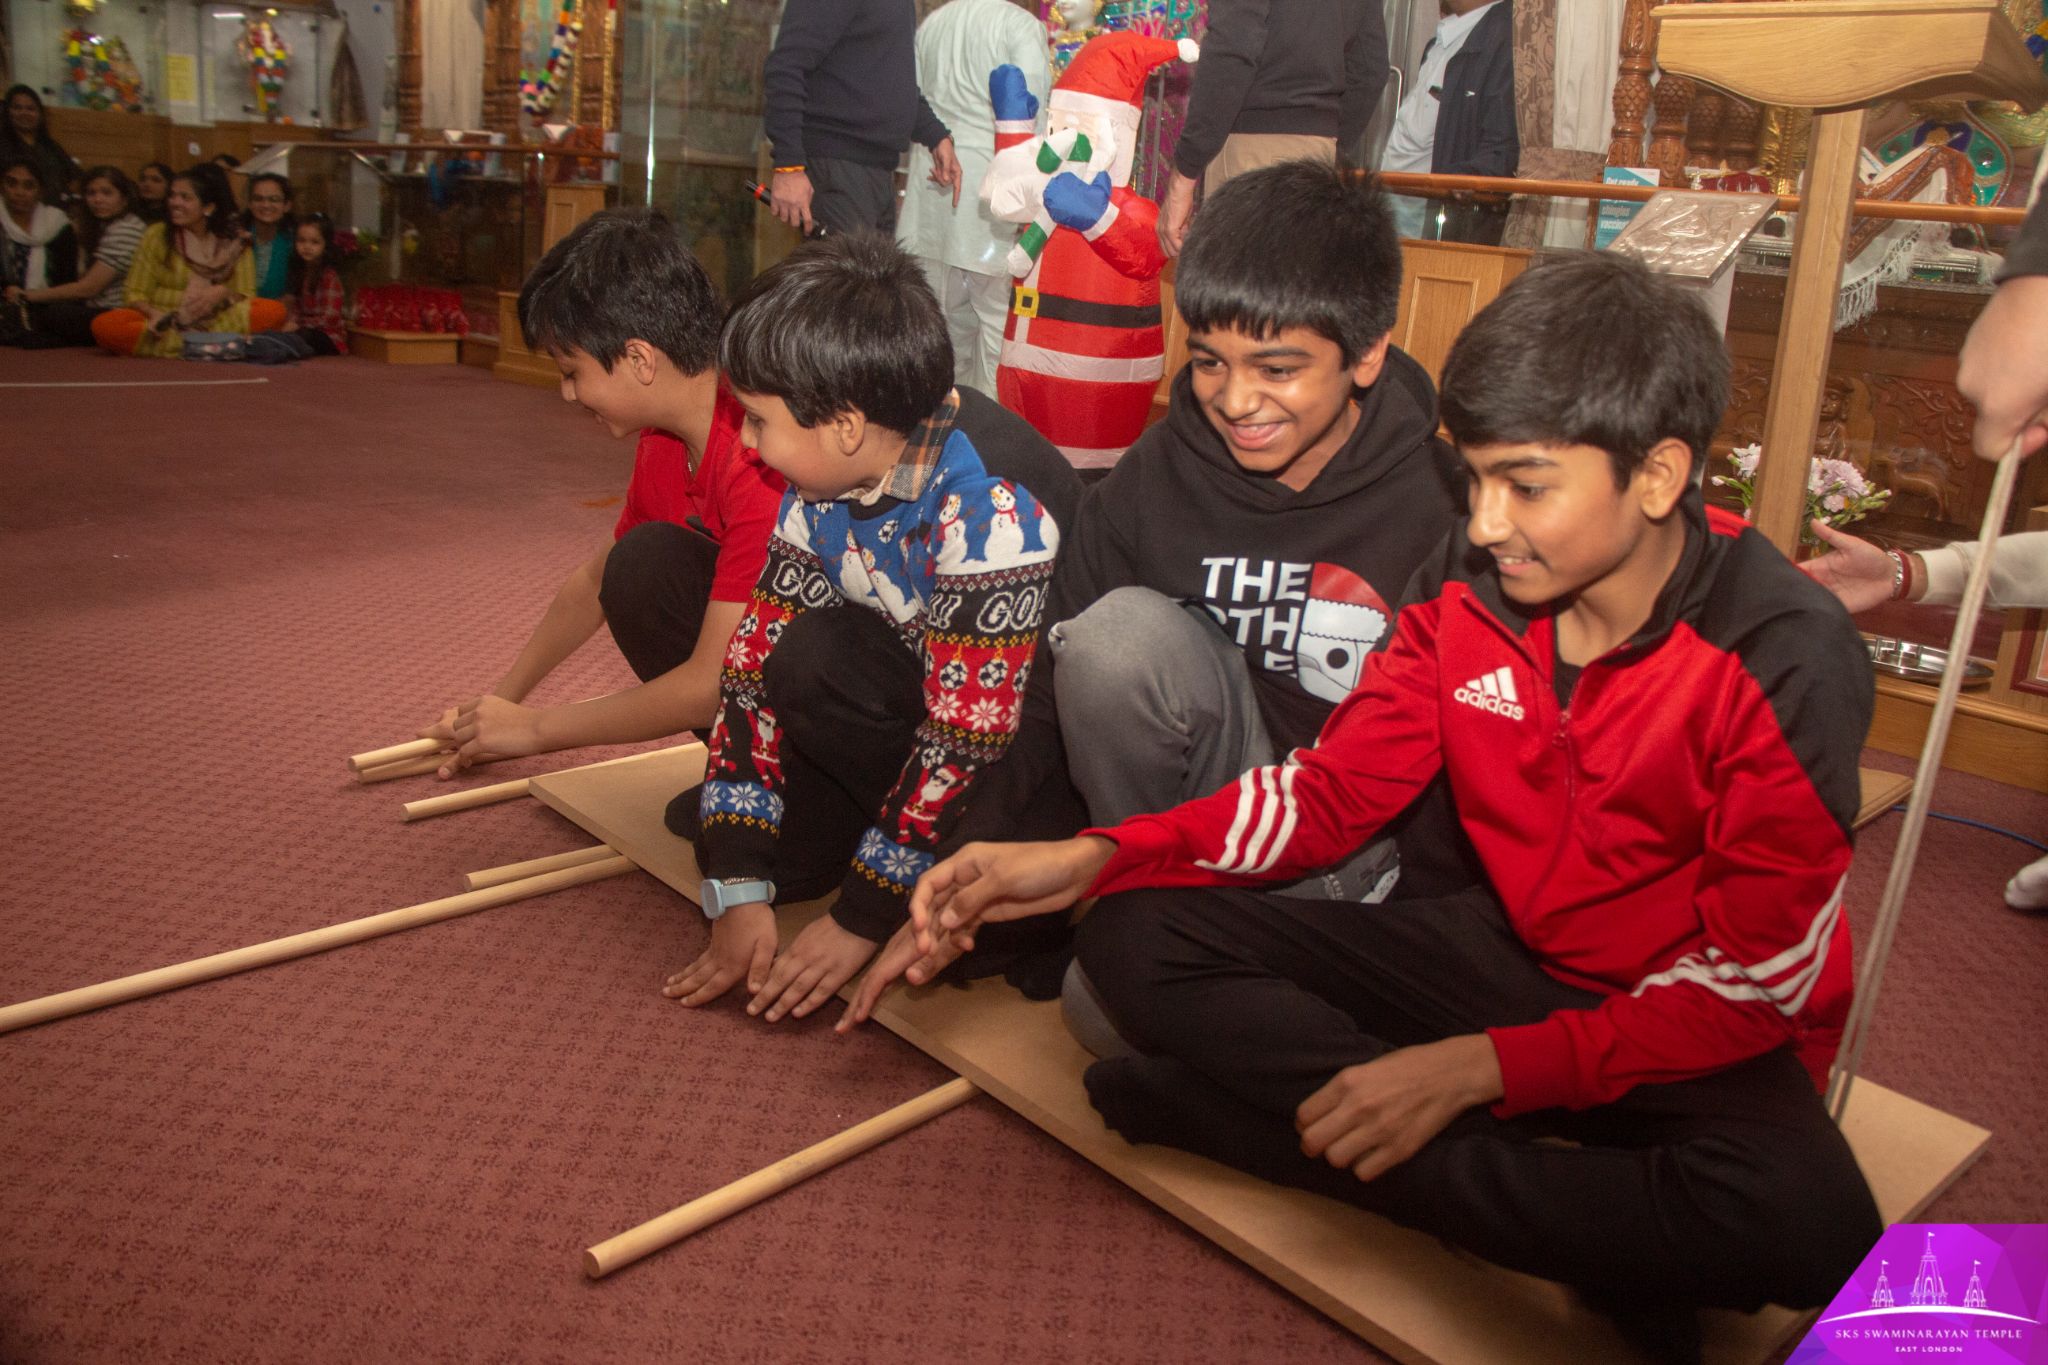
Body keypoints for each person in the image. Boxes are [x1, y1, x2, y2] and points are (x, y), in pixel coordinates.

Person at [858, 253, 1884, 1358]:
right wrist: (1099, 854)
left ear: (1658, 473)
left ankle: (1303, 1147)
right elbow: (1331, 793)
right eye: (1474, 480)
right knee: (1133, 936)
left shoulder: (1784, 652)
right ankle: (1563, 1213)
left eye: (1526, 486)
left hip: (1684, 1012)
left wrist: (1481, 1069)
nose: (1485, 522)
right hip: (1505, 953)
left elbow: (1756, 982)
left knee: (1813, 1225)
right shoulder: (1471, 581)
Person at [946, 159, 1467, 926]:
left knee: (1128, 986)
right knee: (1113, 640)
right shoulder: (1157, 472)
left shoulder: (1447, 506)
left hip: (1347, 854)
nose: (1236, 400)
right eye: (1209, 362)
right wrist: (966, 857)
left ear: (1366, 353)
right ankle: (1154, 918)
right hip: (1186, 841)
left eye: (1277, 368)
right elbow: (1046, 692)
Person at [662, 231, 1082, 1026]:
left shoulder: (991, 507)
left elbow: (970, 742)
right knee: (775, 708)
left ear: (846, 425)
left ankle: (908, 874)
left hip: (1020, 778)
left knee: (958, 940)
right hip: (917, 724)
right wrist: (738, 882)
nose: (745, 442)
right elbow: (748, 671)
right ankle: (854, 841)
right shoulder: (823, 479)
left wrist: (863, 913)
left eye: (757, 420)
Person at [416, 208, 787, 777]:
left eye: (572, 372)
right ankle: (751, 766)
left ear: (639, 359)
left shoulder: (760, 458)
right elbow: (593, 583)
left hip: (834, 696)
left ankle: (788, 784)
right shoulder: (664, 440)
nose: (567, 394)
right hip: (768, 671)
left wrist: (532, 730)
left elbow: (710, 685)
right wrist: (495, 710)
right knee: (637, 568)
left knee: (645, 562)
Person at [896, 0, 1049, 396]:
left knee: (940, 328)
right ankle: (987, 423)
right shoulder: (1019, 25)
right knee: (999, 329)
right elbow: (1030, 115)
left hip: (932, 190)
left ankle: (942, 419)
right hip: (993, 196)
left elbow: (908, 101)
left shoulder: (933, 24)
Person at [1155, 0, 1389, 257]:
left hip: (1252, 157)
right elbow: (1370, 69)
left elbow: (1232, 47)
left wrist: (1184, 175)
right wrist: (1324, 142)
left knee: (1241, 280)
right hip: (1318, 158)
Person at [760, 0, 963, 236]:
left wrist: (936, 136)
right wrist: (788, 166)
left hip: (876, 171)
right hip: (838, 165)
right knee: (849, 262)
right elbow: (786, 67)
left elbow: (889, 82)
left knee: (873, 262)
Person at [89, 163, 287, 358]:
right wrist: (155, 314)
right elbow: (134, 292)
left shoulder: (235, 241)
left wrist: (222, 293)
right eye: (172, 196)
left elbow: (247, 295)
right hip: (164, 320)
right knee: (106, 325)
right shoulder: (157, 235)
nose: (175, 203)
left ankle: (183, 346)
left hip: (220, 319)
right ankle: (215, 345)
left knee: (272, 311)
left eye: (185, 197)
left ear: (208, 207)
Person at [1379, 0, 1518, 245]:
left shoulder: (1506, 40)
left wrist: (1458, 183)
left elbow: (1500, 151)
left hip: (1436, 228)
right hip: (1393, 216)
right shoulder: (1444, 38)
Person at [2, 164, 144, 348]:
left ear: (124, 199)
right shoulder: (101, 226)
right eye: (91, 193)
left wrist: (27, 296)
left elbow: (88, 288)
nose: (97, 199)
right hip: (95, 308)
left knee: (52, 314)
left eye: (106, 193)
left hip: (119, 313)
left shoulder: (126, 230)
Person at [1, 156, 79, 343]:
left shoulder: (57, 224)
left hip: (46, 304)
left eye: (28, 186)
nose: (19, 192)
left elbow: (67, 279)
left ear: (40, 191)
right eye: (12, 183)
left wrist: (32, 297)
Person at [281, 212, 348, 356]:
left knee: (305, 335)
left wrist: (299, 324)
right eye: (301, 241)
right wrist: (291, 322)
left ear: (325, 245)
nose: (307, 247)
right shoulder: (301, 273)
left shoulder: (329, 276)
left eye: (314, 242)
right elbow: (296, 309)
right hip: (305, 328)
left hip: (329, 335)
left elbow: (330, 317)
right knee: (284, 332)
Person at [1, 86, 76, 204]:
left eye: (30, 109)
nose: (24, 113)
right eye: (17, 108)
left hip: (54, 209)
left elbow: (75, 176)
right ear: (7, 112)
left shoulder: (50, 146)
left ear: (40, 114)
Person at [243, 173, 295, 300]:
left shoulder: (295, 244)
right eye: (258, 199)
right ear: (249, 204)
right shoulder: (236, 239)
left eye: (274, 199)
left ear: (287, 205)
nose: (266, 205)